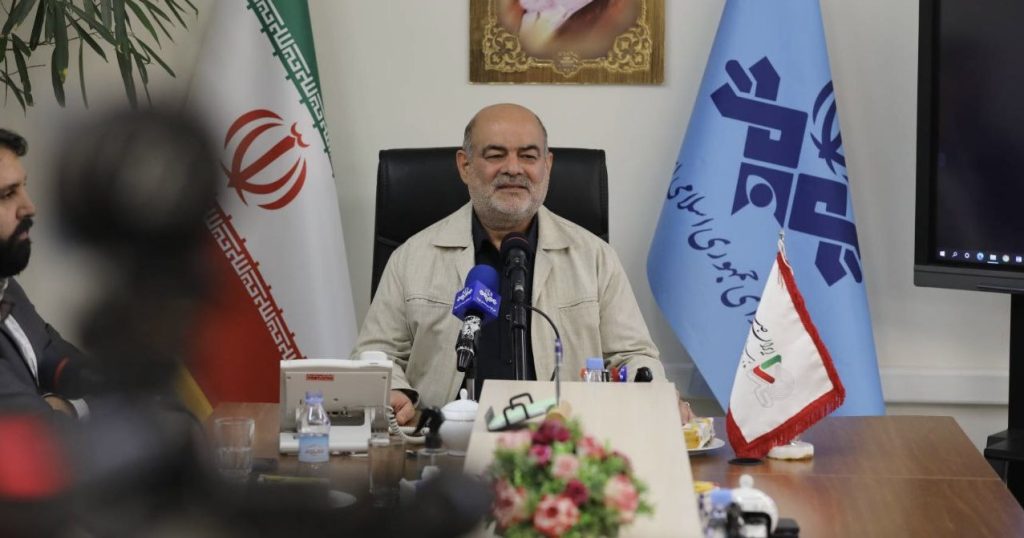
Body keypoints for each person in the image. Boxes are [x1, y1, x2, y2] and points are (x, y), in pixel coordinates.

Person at [353, 103, 693, 425]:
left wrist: (653, 394)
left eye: (528, 156)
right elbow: (376, 354)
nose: (513, 168)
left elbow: (633, 356)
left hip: (562, 443)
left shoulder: (594, 257)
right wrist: (394, 392)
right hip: (444, 445)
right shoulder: (412, 257)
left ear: (547, 165)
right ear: (465, 166)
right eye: (495, 155)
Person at [0, 128, 92, 418]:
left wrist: (72, 402)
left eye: (24, 187)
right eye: (7, 194)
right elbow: (40, 432)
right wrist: (73, 408)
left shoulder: (5, 285)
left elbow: (51, 354)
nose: (29, 207)